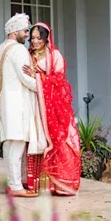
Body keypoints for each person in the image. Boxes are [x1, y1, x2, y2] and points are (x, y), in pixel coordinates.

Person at [0, 13, 49, 198]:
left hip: (7, 104)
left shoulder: (3, 47)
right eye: (25, 31)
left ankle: (13, 183)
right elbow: (27, 79)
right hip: (17, 106)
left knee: (10, 146)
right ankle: (16, 186)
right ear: (15, 31)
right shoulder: (17, 50)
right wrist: (47, 85)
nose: (27, 35)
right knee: (15, 147)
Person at [25, 22, 81, 196]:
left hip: (52, 105)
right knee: (36, 141)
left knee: (58, 140)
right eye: (32, 38)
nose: (35, 41)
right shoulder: (28, 54)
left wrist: (37, 76)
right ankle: (38, 184)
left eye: (38, 38)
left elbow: (59, 79)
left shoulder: (54, 55)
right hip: (35, 103)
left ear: (46, 38)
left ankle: (61, 184)